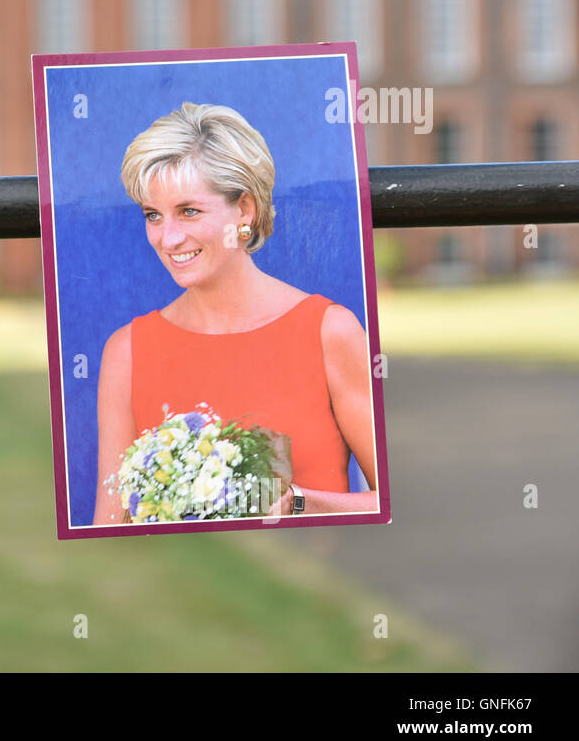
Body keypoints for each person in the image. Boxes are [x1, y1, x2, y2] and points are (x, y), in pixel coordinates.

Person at [94, 101, 377, 525]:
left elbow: (398, 504)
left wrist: (300, 502)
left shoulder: (328, 331)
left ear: (244, 210)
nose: (168, 238)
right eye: (153, 215)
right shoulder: (127, 351)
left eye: (189, 211)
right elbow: (109, 529)